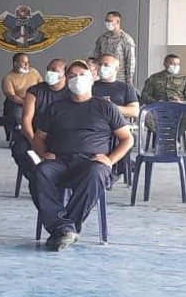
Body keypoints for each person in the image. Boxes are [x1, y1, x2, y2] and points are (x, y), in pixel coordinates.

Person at [31, 60, 133, 251]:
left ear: (92, 79)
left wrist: (110, 160)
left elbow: (127, 139)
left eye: (82, 75)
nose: (77, 79)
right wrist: (43, 153)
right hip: (61, 161)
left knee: (96, 173)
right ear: (66, 80)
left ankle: (64, 229)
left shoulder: (106, 107)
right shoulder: (56, 108)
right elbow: (38, 137)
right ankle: (64, 228)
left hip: (91, 163)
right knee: (40, 173)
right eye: (72, 76)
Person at [12, 58, 69, 180]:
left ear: (65, 75)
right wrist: (34, 142)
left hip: (62, 138)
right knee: (19, 149)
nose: (49, 73)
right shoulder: (35, 91)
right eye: (48, 70)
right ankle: (38, 180)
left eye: (54, 70)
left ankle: (60, 182)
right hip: (34, 134)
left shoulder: (70, 92)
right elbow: (26, 119)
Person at [1, 53, 43, 139]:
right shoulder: (8, 78)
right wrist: (27, 103)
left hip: (35, 99)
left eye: (28, 62)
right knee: (15, 114)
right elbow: (12, 96)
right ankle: (16, 137)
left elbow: (42, 85)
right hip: (18, 102)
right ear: (16, 64)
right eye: (24, 62)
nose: (27, 65)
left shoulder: (34, 72)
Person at [91, 10, 136, 86]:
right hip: (102, 77)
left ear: (118, 22)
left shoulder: (126, 39)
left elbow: (130, 62)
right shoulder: (102, 38)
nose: (107, 23)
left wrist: (129, 81)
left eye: (109, 21)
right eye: (106, 21)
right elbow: (96, 58)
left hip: (119, 78)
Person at [93, 54, 139, 118]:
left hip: (118, 124)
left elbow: (134, 111)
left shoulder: (126, 88)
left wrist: (111, 108)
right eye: (100, 64)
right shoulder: (90, 86)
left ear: (116, 68)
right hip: (95, 123)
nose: (102, 67)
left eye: (106, 65)